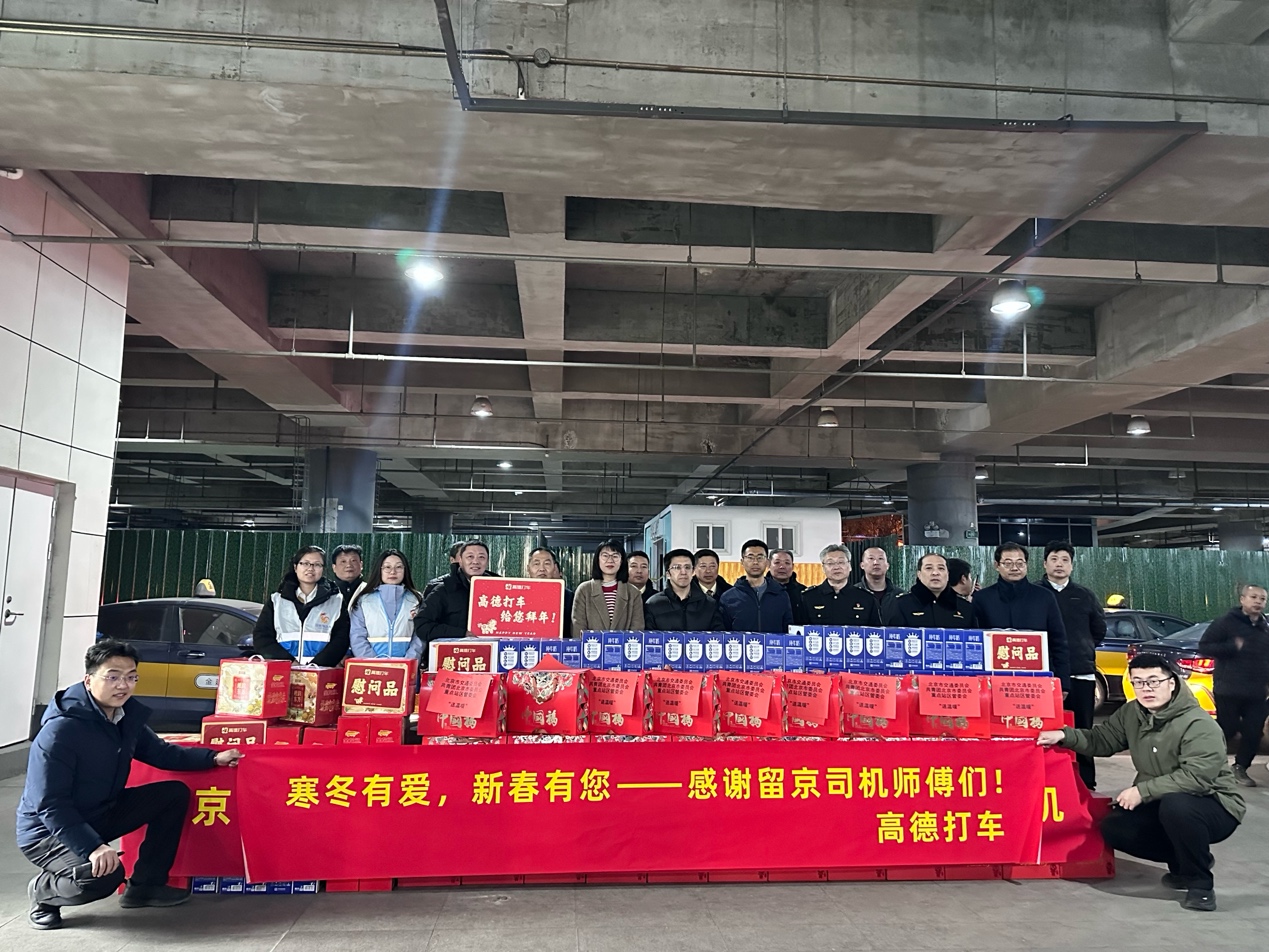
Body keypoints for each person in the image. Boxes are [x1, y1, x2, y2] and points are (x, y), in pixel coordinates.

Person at [17, 640, 242, 930]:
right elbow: (49, 804)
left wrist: (213, 758)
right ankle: (44, 892)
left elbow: (160, 753)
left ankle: (146, 886)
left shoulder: (124, 716)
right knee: (104, 877)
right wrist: (93, 847)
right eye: (112, 677)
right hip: (47, 831)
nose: (123, 685)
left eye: (131, 677)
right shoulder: (61, 731)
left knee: (172, 795)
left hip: (100, 812)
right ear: (89, 680)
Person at [1039, 653, 1244, 912]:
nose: (1147, 689)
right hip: (1161, 799)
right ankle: (1183, 862)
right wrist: (1063, 736)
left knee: (1178, 807)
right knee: (1115, 827)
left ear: (1172, 683)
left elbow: (1197, 778)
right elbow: (1102, 740)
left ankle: (1200, 884)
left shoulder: (1198, 724)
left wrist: (1142, 791)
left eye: (1154, 681)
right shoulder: (1132, 713)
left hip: (1213, 803)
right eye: (1138, 682)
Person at [1039, 540, 1107, 790]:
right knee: (1046, 728)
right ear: (1044, 563)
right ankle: (1048, 780)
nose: (1059, 564)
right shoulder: (1036, 594)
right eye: (1054, 559)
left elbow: (1099, 629)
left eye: (1065, 560)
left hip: (1080, 672)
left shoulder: (1084, 595)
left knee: (1082, 728)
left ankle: (1086, 782)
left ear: (1072, 565)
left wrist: (1082, 648)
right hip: (1045, 676)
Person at [973, 543, 1071, 693]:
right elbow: (975, 642)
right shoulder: (982, 598)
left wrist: (1063, 683)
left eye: (1020, 563)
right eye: (1008, 563)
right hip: (994, 682)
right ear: (996, 565)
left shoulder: (1044, 597)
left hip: (1038, 681)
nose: (1015, 568)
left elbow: (1059, 642)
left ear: (1026, 565)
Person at [1198, 583, 1269, 788]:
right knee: (1227, 730)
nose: (1258, 602)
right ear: (1242, 599)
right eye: (1253, 597)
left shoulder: (1265, 628)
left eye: (1262, 599)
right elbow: (1204, 646)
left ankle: (1240, 767)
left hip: (1257, 691)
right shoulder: (1225, 623)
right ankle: (1206, 763)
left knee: (1254, 732)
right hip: (1229, 688)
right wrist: (1231, 647)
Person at [251, 545, 350, 667]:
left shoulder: (335, 601)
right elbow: (262, 637)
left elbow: (341, 640)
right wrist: (289, 662)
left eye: (317, 564)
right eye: (305, 563)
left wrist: (315, 667)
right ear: (295, 567)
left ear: (323, 569)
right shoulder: (277, 600)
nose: (310, 568)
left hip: (321, 671)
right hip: (283, 671)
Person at [415, 540, 489, 655]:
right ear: (460, 561)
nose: (475, 561)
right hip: (451, 656)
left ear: (487, 562)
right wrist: (462, 633)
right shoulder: (443, 589)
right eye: (470, 557)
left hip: (488, 654)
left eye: (481, 557)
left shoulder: (498, 589)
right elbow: (422, 626)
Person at [348, 549, 424, 659]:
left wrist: (408, 661)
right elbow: (357, 636)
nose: (393, 572)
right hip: (372, 667)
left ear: (405, 570)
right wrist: (375, 663)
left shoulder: (416, 600)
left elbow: (420, 635)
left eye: (398, 567)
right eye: (387, 567)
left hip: (407, 665)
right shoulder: (364, 600)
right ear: (379, 570)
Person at [720, 539, 794, 634]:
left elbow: (788, 630)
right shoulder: (728, 597)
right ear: (742, 562)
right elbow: (724, 633)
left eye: (760, 557)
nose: (755, 562)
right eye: (750, 557)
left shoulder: (781, 595)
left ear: (767, 562)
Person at [884, 553, 976, 628]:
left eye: (941, 568)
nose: (935, 573)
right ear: (919, 574)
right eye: (928, 568)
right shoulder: (901, 604)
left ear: (947, 574)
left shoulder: (965, 607)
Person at [573, 540, 645, 632]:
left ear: (622, 561)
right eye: (605, 556)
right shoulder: (584, 590)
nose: (610, 560)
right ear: (597, 559)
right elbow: (578, 627)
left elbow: (637, 629)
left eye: (615, 556)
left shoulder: (633, 593)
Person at [645, 549, 726, 631]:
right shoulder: (653, 604)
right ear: (668, 574)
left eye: (687, 567)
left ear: (693, 571)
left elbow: (719, 635)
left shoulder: (709, 604)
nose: (683, 572)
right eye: (677, 567)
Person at [802, 544, 880, 626]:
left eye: (841, 562)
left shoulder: (866, 598)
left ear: (850, 566)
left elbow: (876, 631)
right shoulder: (808, 597)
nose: (836, 567)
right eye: (830, 563)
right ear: (823, 568)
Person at [526, 545, 575, 638]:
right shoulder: (518, 593)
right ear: (528, 568)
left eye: (547, 564)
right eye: (536, 564)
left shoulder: (567, 596)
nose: (542, 569)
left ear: (554, 568)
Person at [769, 549, 810, 625]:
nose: (782, 567)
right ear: (768, 565)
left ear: (793, 566)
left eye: (787, 563)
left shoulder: (803, 592)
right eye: (777, 562)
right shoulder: (760, 590)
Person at [858, 547, 900, 618]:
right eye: (871, 558)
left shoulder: (900, 596)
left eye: (880, 558)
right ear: (862, 565)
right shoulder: (853, 594)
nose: (876, 563)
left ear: (887, 566)